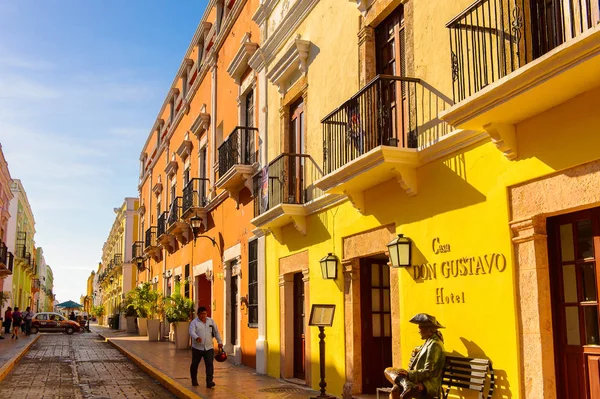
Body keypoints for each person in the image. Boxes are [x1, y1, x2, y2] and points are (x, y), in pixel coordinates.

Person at [384, 313, 446, 399]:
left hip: (428, 385)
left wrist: (409, 374)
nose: (419, 331)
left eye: (421, 328)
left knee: (396, 389)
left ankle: (406, 384)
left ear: (430, 330)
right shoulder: (429, 342)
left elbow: (430, 371)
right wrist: (418, 350)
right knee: (388, 371)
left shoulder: (435, 345)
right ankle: (406, 384)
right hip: (420, 380)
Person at [188, 306, 223, 388]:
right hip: (197, 348)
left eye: (204, 314)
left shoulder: (211, 321)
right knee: (195, 364)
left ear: (206, 313)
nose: (203, 316)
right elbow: (191, 331)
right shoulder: (194, 322)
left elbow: (216, 332)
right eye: (201, 314)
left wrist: (220, 342)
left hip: (209, 348)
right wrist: (196, 337)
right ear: (198, 314)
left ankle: (209, 381)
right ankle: (194, 379)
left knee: (209, 364)